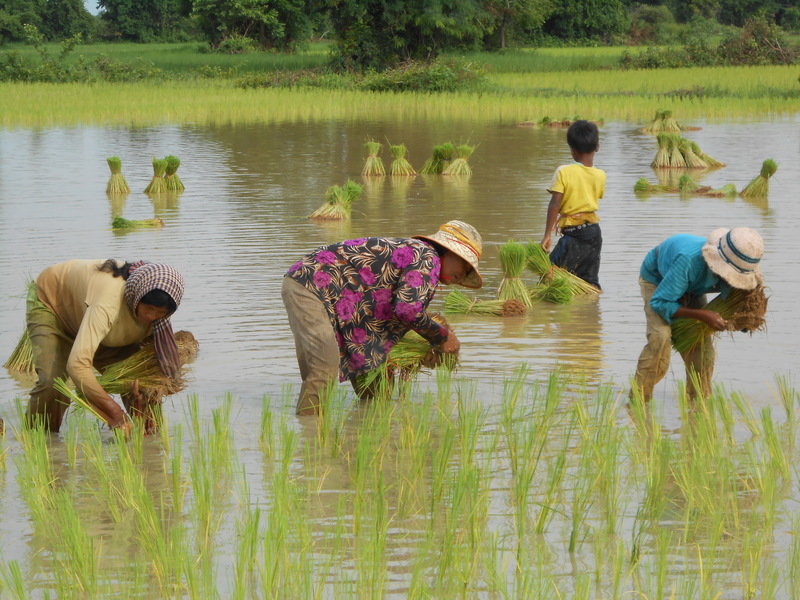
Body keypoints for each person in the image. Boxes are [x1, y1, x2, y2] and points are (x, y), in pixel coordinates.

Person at [282, 220, 483, 416]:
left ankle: (372, 429)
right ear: (449, 251)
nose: (463, 275)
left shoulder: (422, 259)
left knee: (377, 385)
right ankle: (308, 431)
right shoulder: (427, 257)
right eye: (465, 266)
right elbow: (407, 310)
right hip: (311, 286)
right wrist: (442, 337)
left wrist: (403, 354)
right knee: (324, 367)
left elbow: (393, 315)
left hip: (344, 304)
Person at [26, 259, 185, 433]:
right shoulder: (107, 304)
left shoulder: (159, 320)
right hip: (54, 305)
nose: (151, 317)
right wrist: (115, 413)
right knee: (52, 382)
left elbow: (152, 366)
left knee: (144, 386)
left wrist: (142, 390)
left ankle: (148, 441)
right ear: (137, 297)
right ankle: (38, 438)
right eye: (148, 309)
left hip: (99, 326)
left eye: (160, 312)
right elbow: (77, 366)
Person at [632, 227, 764, 403]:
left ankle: (698, 405)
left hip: (693, 287)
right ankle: (639, 400)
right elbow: (660, 303)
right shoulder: (689, 260)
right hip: (657, 280)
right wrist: (703, 315)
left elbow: (741, 303)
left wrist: (742, 321)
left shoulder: (744, 266)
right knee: (660, 337)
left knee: (704, 351)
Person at [540, 119, 605, 289]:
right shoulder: (600, 175)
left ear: (572, 150)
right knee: (589, 282)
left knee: (547, 276)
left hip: (574, 235)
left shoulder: (564, 172)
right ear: (597, 147)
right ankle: (592, 305)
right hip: (594, 233)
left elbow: (555, 204)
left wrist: (547, 235)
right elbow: (593, 197)